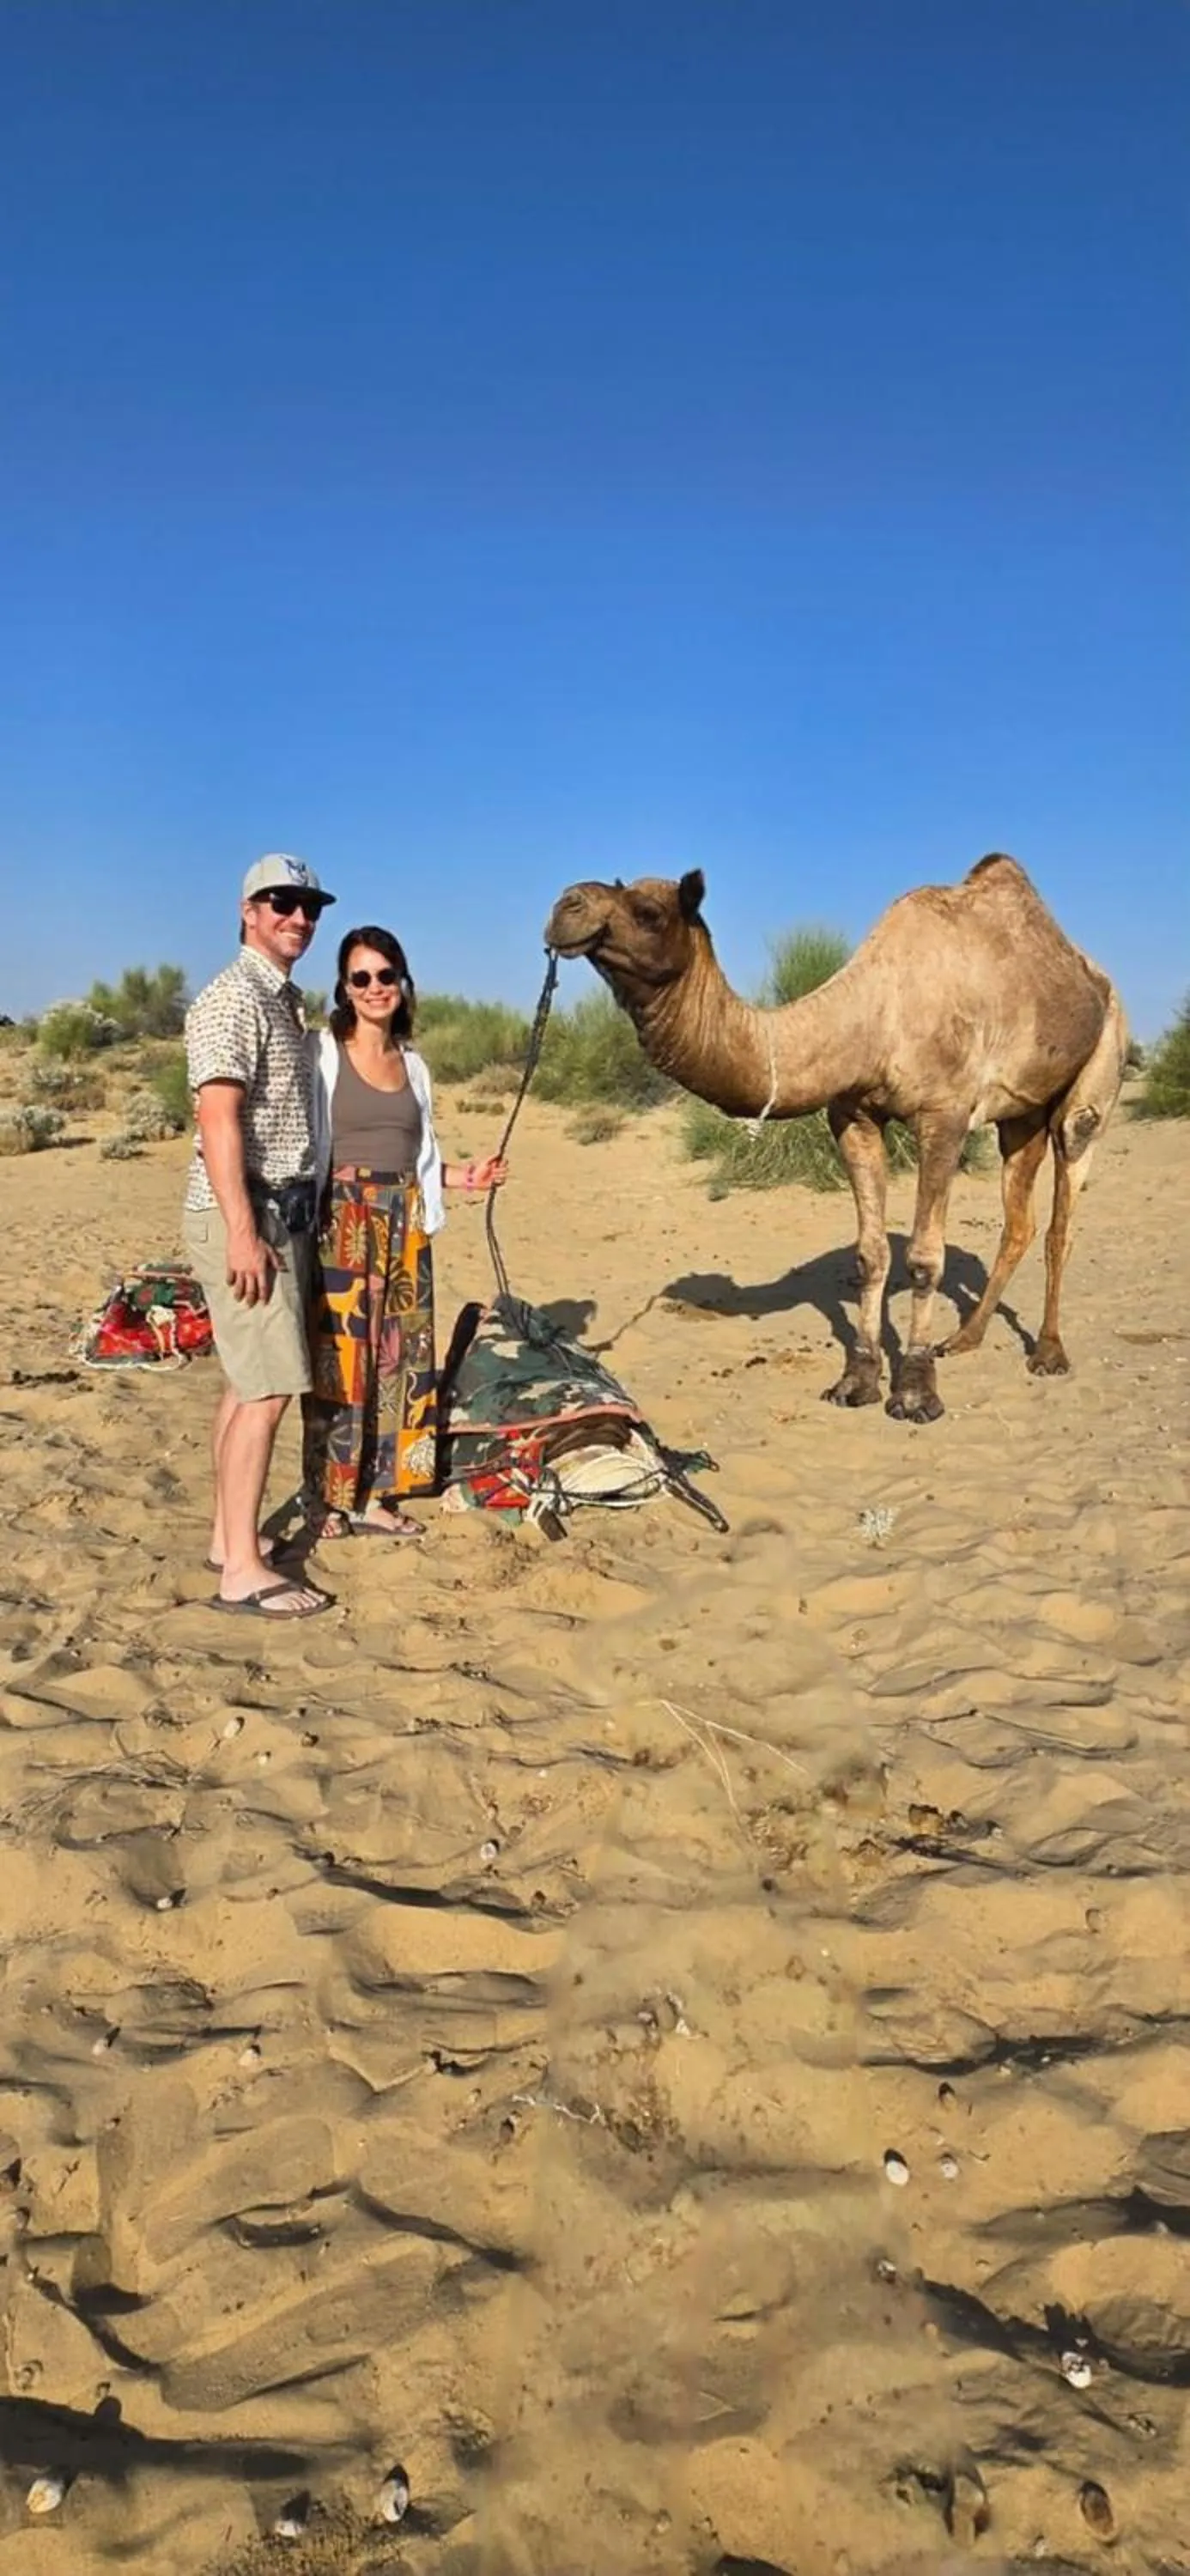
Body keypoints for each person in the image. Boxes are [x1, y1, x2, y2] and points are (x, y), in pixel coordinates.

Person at [304, 924, 507, 1538]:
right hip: (342, 1219)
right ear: (344, 987)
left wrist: (465, 1177)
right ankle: (326, 1497)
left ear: (402, 982)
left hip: (406, 1220)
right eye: (361, 977)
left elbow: (417, 1158)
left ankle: (376, 1493)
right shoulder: (321, 1053)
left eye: (385, 975)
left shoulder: (414, 1066)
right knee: (342, 1362)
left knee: (403, 1361)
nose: (375, 987)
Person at [182, 854, 337, 1619]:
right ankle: (243, 1571)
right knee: (270, 1390)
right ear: (248, 911)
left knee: (246, 1384)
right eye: (281, 903)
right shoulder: (234, 998)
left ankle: (228, 1538)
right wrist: (244, 1232)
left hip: (274, 1211)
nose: (298, 918)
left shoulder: (281, 999)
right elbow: (218, 1118)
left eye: (310, 906)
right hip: (249, 1213)